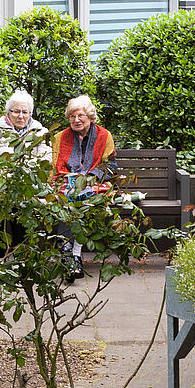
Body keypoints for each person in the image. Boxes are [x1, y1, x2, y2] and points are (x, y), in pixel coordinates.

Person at [52, 94, 116, 281]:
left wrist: (91, 178)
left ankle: (71, 251)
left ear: (90, 117)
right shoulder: (59, 137)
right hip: (65, 181)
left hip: (93, 182)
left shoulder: (104, 135)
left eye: (80, 116)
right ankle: (71, 254)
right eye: (72, 116)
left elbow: (110, 166)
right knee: (68, 196)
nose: (76, 120)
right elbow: (54, 165)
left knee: (86, 196)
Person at [0, 89, 51, 163]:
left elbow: (46, 159)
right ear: (8, 112)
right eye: (16, 111)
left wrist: (26, 165)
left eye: (25, 112)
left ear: (30, 114)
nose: (21, 116)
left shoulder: (42, 133)